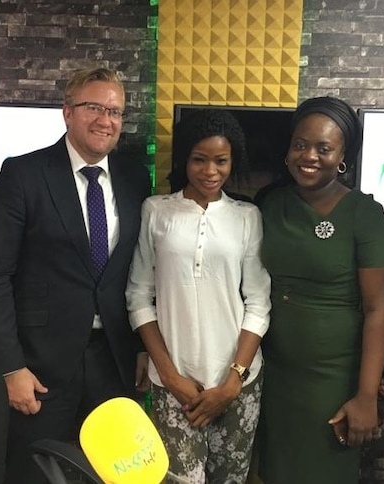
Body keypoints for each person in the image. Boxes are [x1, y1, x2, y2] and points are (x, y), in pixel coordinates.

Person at [0, 67, 152, 483]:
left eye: (115, 111)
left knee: (109, 473)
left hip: (113, 360)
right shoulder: (24, 173)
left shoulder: (133, 177)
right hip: (40, 366)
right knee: (33, 472)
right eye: (94, 107)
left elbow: (139, 271)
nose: (105, 120)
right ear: (67, 112)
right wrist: (9, 367)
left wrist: (142, 347)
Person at [126, 109, 271, 483]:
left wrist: (233, 381)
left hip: (237, 385)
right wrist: (171, 377)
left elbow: (257, 302)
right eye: (199, 159)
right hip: (175, 386)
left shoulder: (247, 216)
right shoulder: (156, 211)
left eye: (221, 161)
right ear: (184, 160)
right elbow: (140, 296)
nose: (210, 171)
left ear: (232, 161)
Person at [257, 96, 384, 483]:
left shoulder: (364, 214)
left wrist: (367, 395)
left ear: (343, 156)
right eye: (300, 144)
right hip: (271, 375)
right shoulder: (270, 205)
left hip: (331, 381)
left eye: (324, 148)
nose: (309, 156)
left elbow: (379, 310)